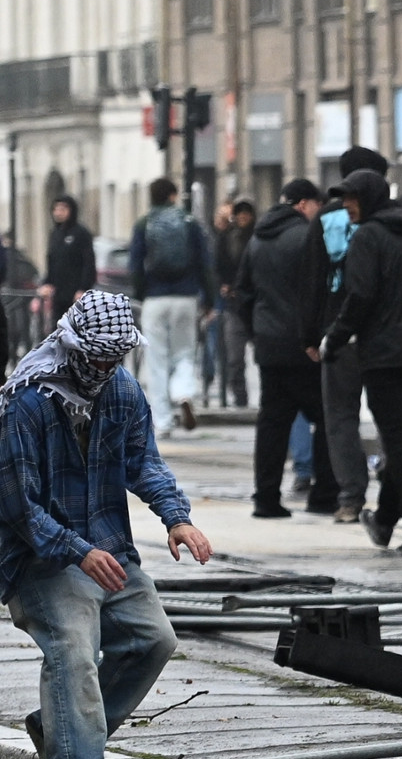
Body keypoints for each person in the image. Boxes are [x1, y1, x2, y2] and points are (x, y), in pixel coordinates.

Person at [0, 291, 213, 759]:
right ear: (72, 346)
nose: (104, 369)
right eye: (96, 359)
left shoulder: (121, 390)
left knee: (153, 639)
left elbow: (143, 461)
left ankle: (58, 731)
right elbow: (20, 507)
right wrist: (78, 551)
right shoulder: (27, 401)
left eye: (114, 359)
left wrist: (177, 518)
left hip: (108, 546)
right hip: (42, 558)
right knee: (73, 648)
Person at [319, 170, 402, 556]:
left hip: (381, 355)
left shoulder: (367, 239)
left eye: (351, 198)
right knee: (398, 438)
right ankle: (384, 520)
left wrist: (334, 339)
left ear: (369, 199)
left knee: (395, 441)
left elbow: (359, 297)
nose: (346, 206)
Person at [234, 179, 337, 519]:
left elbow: (242, 294)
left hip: (269, 346)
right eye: (317, 205)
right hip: (304, 348)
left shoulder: (256, 239)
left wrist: (256, 332)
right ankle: (324, 494)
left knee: (272, 424)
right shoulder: (308, 237)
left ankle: (266, 498)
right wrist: (316, 337)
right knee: (326, 418)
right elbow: (318, 290)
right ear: (305, 204)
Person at [320, 145, 389, 523]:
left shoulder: (325, 219)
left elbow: (312, 277)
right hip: (383, 335)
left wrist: (313, 335)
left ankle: (350, 496)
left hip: (338, 333)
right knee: (390, 418)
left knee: (341, 417)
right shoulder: (398, 223)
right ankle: (392, 481)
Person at [128, 178, 214, 435]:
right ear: (173, 196)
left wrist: (142, 293)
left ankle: (163, 421)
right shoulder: (189, 222)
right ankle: (183, 393)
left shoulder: (144, 223)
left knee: (156, 360)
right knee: (185, 352)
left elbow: (135, 264)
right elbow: (205, 263)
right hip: (186, 297)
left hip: (155, 298)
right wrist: (208, 299)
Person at [211, 199, 256, 409]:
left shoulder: (258, 238)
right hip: (234, 304)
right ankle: (240, 398)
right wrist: (224, 285)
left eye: (247, 213)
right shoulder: (226, 238)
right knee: (234, 358)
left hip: (255, 304)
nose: (243, 217)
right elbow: (218, 267)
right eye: (240, 213)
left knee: (263, 356)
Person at [40, 196, 96, 321]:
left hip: (76, 293)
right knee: (59, 325)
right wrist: (47, 283)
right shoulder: (55, 234)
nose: (58, 213)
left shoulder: (81, 233)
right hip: (59, 294)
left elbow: (88, 263)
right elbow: (52, 262)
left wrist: (83, 288)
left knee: (77, 326)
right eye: (56, 209)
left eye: (62, 209)